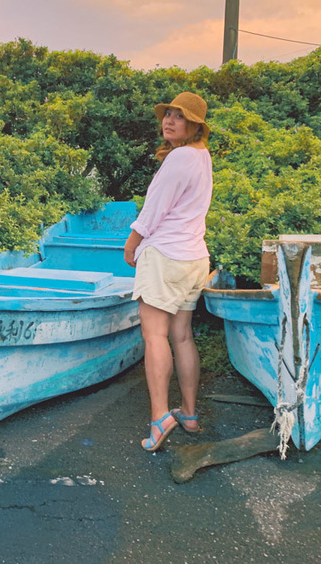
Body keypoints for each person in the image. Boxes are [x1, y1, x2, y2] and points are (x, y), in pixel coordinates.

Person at [124, 91, 213, 452]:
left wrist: (131, 244)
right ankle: (189, 414)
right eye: (168, 114)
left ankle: (160, 417)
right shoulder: (202, 156)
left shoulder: (179, 158)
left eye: (180, 116)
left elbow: (153, 210)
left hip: (166, 256)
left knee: (155, 336)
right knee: (182, 336)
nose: (170, 121)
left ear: (195, 126)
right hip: (194, 257)